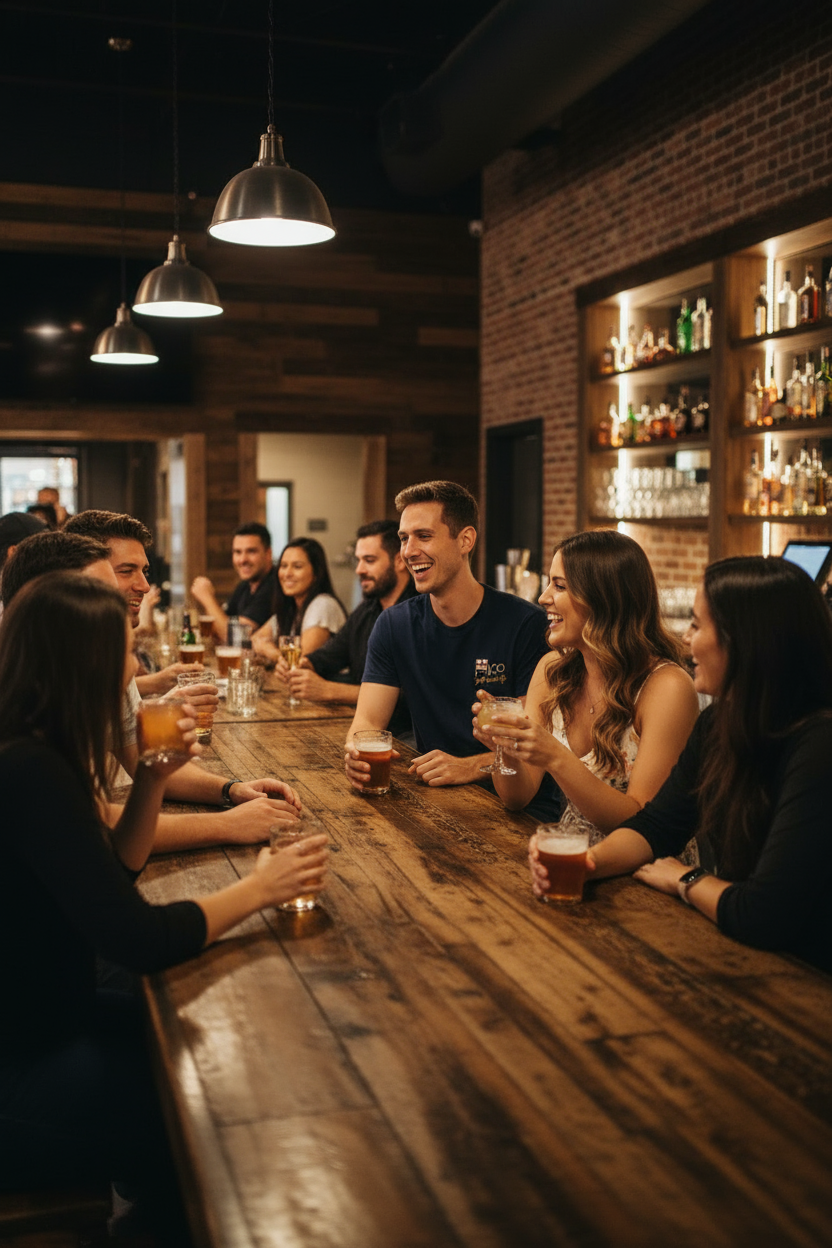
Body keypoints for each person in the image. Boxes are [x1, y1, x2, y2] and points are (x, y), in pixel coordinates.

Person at [0, 572, 328, 1232]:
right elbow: (138, 939)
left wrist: (151, 780)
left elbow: (114, 876)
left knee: (207, 1055)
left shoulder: (39, 753)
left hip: (51, 1019)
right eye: (125, 651)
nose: (135, 667)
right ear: (82, 662)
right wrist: (260, 889)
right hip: (21, 1070)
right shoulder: (28, 772)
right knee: (219, 1120)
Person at [531, 555, 832, 973]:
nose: (686, 640)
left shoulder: (819, 745)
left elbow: (765, 914)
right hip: (747, 950)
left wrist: (684, 880)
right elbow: (657, 827)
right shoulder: (720, 723)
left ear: (745, 640)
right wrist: (589, 864)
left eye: (696, 624)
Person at [58, 510, 303, 851]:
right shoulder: (56, 668)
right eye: (126, 571)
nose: (144, 586)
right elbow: (97, 827)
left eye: (144, 571)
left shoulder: (106, 655)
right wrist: (227, 825)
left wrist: (231, 790)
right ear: (83, 576)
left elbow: (144, 761)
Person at [344, 480, 557, 807]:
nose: (409, 551)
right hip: (436, 801)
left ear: (465, 540)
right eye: (404, 538)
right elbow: (368, 722)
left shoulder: (525, 625)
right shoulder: (394, 625)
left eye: (424, 536)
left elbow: (532, 754)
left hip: (519, 812)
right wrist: (356, 754)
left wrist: (469, 766)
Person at [478, 530, 699, 842]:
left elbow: (644, 825)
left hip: (647, 877)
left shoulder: (667, 687)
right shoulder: (551, 670)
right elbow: (518, 798)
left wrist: (556, 757)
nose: (543, 598)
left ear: (603, 598)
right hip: (568, 857)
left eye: (559, 586)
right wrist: (506, 751)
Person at [280, 520, 415, 735]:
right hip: (364, 728)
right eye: (358, 560)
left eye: (369, 560)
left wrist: (330, 691)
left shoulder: (420, 612)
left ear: (399, 561)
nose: (359, 570)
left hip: (408, 738)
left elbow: (409, 696)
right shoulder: (367, 609)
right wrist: (306, 665)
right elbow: (330, 654)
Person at [252, 536, 347, 661]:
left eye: (297, 567)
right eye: (284, 566)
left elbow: (299, 662)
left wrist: (270, 652)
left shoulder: (323, 604)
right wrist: (270, 650)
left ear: (316, 573)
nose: (287, 573)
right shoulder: (291, 608)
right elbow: (255, 639)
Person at [190, 521, 276, 643]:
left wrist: (207, 598)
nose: (242, 560)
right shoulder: (245, 585)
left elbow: (233, 637)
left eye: (251, 551)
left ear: (268, 554)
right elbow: (217, 629)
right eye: (237, 552)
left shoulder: (274, 585)